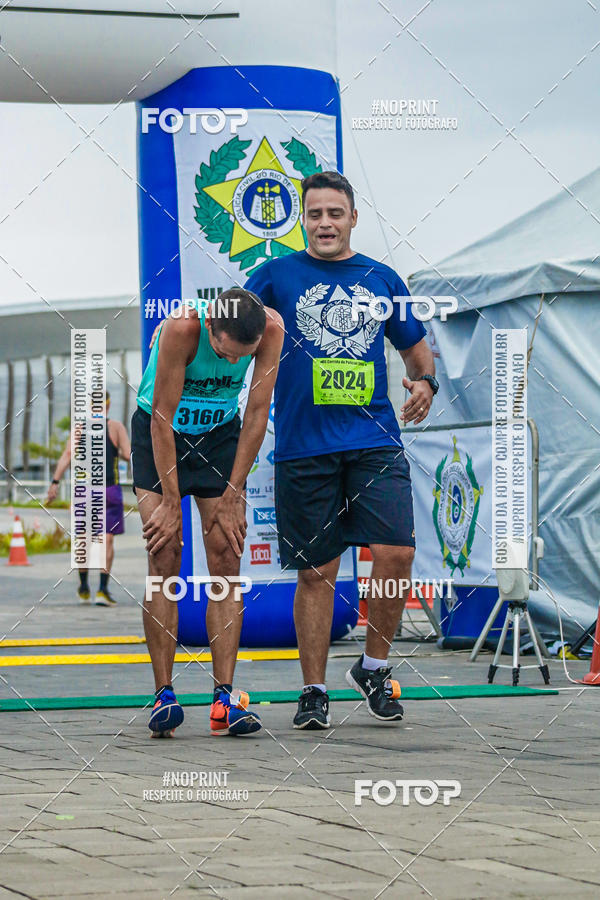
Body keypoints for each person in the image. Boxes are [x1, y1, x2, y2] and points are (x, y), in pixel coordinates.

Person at [245, 171, 438, 730]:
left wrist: (424, 383)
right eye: (314, 214)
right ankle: (313, 690)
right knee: (317, 572)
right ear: (302, 220)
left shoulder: (380, 278)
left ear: (353, 218)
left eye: (335, 213)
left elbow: (415, 349)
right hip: (304, 448)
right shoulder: (276, 275)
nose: (325, 223)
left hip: (373, 439)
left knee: (397, 553)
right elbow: (234, 331)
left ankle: (374, 666)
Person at [132, 288, 283, 737]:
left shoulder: (271, 330)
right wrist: (170, 504)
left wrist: (236, 493)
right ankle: (163, 694)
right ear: (211, 328)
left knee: (226, 558)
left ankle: (224, 697)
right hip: (162, 433)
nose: (234, 365)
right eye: (225, 354)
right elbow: (162, 418)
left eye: (244, 357)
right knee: (164, 558)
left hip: (218, 435)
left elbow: (256, 414)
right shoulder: (183, 327)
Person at [47, 391, 130, 606]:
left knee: (83, 538)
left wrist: (55, 482)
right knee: (107, 539)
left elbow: (67, 455)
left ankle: (84, 586)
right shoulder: (115, 427)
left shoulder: (79, 428)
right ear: (108, 406)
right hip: (109, 489)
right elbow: (130, 455)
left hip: (84, 491)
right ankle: (102, 590)